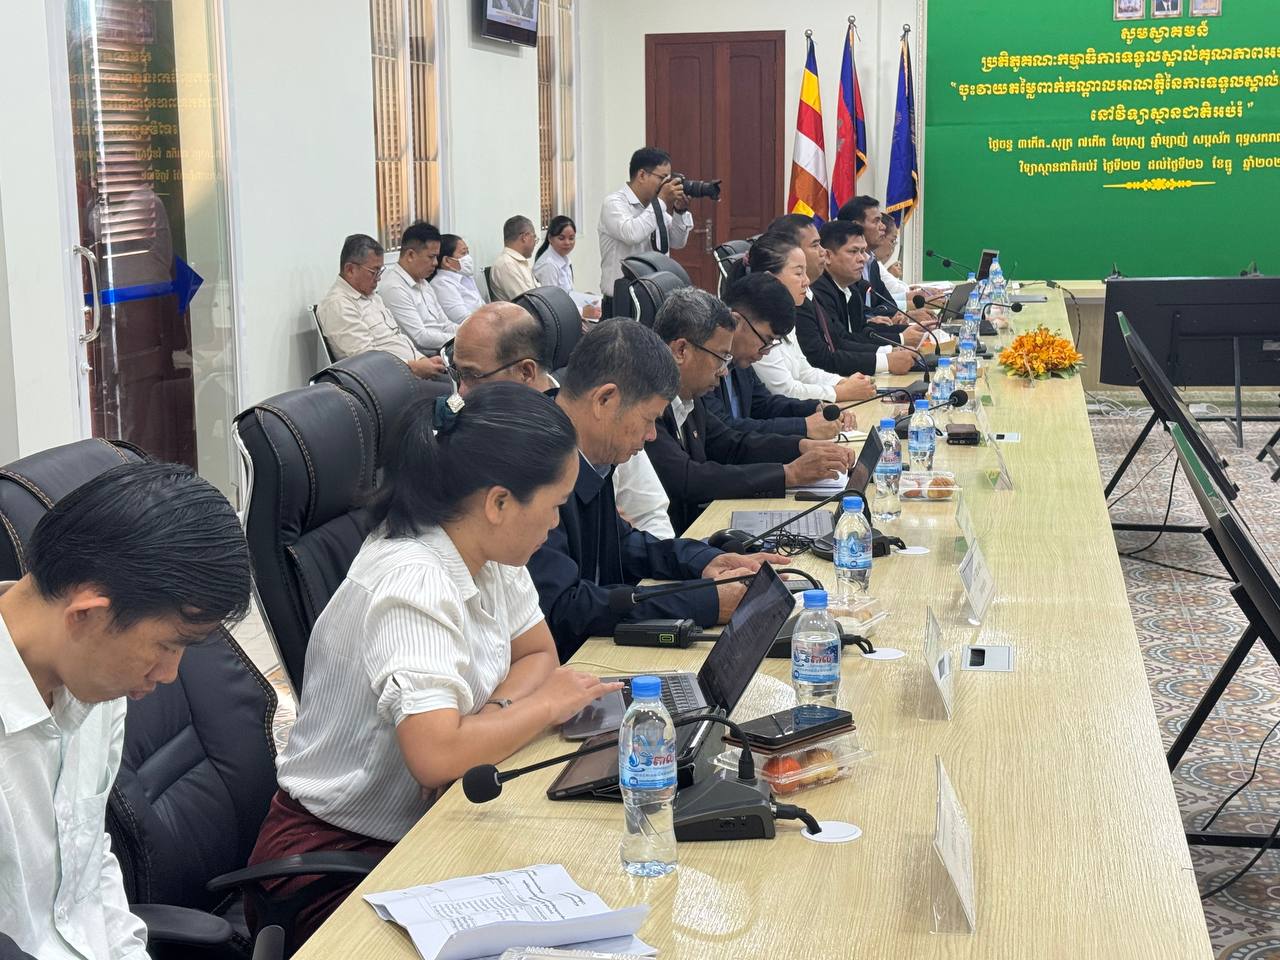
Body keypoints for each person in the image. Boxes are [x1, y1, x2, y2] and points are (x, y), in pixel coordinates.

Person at [247, 384, 623, 943]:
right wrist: (543, 706)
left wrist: (490, 717)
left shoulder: (489, 552)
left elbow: (538, 653)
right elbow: (437, 756)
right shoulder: (413, 581)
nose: (555, 523)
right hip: (333, 864)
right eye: (554, 505)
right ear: (498, 503)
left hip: (428, 827)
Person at [0, 462, 251, 960]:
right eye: (167, 645)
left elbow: (87, 866)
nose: (169, 675)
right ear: (88, 615)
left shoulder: (92, 688)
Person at [528, 320, 779, 658]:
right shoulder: (534, 466)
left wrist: (705, 561)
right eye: (648, 419)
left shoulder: (585, 449)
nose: (650, 436)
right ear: (605, 400)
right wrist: (706, 601)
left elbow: (622, 543)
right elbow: (564, 607)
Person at [448, 302, 676, 539]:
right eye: (457, 374)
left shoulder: (602, 423)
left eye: (472, 376)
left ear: (526, 372)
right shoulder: (478, 451)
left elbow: (648, 515)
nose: (461, 392)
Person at [647, 287, 853, 532]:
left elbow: (731, 444)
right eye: (720, 357)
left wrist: (799, 446)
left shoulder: (689, 395)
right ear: (681, 351)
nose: (724, 370)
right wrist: (788, 474)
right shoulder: (646, 404)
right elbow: (688, 479)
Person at [702, 272, 857, 439]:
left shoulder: (739, 360)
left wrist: (816, 408)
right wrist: (803, 427)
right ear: (736, 321)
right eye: (766, 340)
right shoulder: (703, 362)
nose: (767, 351)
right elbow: (725, 429)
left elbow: (762, 404)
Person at [747, 233, 878, 404]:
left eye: (805, 272)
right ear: (770, 278)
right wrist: (841, 392)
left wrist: (842, 382)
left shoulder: (782, 315)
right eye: (798, 273)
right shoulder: (755, 323)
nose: (807, 281)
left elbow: (805, 372)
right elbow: (784, 390)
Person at [316, 234, 447, 379]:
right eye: (374, 272)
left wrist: (423, 360)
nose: (378, 278)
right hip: (389, 382)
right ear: (350, 269)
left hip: (411, 372)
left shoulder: (372, 296)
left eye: (380, 271)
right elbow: (367, 360)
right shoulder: (338, 305)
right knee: (457, 389)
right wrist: (414, 367)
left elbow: (397, 338)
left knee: (458, 378)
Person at [804, 220, 921, 377]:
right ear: (829, 256)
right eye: (854, 252)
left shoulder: (852, 288)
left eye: (863, 251)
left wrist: (905, 337)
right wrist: (893, 348)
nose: (863, 259)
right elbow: (838, 343)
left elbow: (862, 332)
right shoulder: (818, 291)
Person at [598, 147, 692, 312]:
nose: (667, 185)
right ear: (642, 175)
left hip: (655, 297)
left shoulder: (654, 207)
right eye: (662, 178)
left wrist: (680, 211)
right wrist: (661, 201)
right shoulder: (614, 203)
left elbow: (677, 241)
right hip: (623, 302)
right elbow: (631, 234)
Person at [836, 196, 937, 329]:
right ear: (856, 226)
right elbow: (858, 314)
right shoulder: (845, 268)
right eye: (876, 221)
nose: (883, 227)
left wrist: (905, 316)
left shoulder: (872, 264)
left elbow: (888, 303)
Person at [377, 221, 455, 353]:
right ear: (411, 255)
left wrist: (468, 332)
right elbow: (420, 338)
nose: (435, 263)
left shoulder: (423, 282)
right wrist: (459, 339)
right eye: (431, 257)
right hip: (425, 357)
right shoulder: (394, 288)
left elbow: (445, 324)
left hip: (445, 348)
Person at [430, 234, 488, 325]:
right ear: (447, 261)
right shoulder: (441, 284)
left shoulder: (466, 276)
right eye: (463, 253)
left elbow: (482, 306)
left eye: (468, 253)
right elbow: (463, 319)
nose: (468, 258)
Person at [488, 215, 539, 301]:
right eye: (534, 237)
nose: (535, 242)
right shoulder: (506, 265)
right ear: (525, 237)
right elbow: (528, 302)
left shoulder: (518, 262)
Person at [533, 215, 578, 291]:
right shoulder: (549, 265)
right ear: (550, 238)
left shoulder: (565, 260)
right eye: (561, 238)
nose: (567, 242)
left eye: (571, 238)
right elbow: (550, 297)